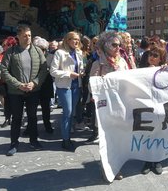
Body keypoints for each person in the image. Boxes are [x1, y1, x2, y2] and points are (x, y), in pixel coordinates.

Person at [0, 24, 47, 156]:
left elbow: (44, 69)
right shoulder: (11, 52)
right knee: (16, 117)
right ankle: (14, 143)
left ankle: (34, 140)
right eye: (25, 35)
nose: (28, 38)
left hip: (33, 90)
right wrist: (18, 84)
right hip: (16, 92)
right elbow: (4, 71)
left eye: (29, 35)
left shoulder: (37, 51)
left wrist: (35, 83)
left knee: (32, 116)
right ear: (18, 37)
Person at [89, 31, 128, 180]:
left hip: (119, 105)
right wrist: (102, 83)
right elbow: (90, 87)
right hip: (105, 108)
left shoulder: (122, 62)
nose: (118, 47)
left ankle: (116, 164)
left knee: (118, 137)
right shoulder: (98, 63)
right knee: (107, 138)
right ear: (105, 46)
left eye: (119, 44)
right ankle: (108, 166)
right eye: (114, 44)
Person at [50, 31, 85, 151]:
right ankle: (65, 139)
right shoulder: (60, 53)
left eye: (78, 40)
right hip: (64, 86)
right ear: (67, 40)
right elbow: (53, 71)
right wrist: (68, 74)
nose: (76, 42)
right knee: (68, 112)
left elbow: (80, 67)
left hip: (76, 86)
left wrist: (82, 72)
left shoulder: (79, 53)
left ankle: (68, 136)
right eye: (73, 39)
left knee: (71, 112)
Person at [140, 46, 168, 175]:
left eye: (156, 55)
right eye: (150, 54)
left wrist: (164, 71)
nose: (152, 57)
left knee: (159, 133)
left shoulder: (165, 71)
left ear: (161, 59)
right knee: (147, 133)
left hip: (160, 106)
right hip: (146, 105)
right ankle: (147, 161)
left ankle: (157, 160)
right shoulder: (140, 70)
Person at [33, 36, 54, 134]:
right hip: (34, 83)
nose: (43, 51)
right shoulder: (31, 56)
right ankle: (30, 127)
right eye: (41, 49)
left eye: (44, 49)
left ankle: (47, 125)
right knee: (32, 107)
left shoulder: (50, 56)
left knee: (46, 107)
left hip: (46, 83)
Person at [0, 36, 18, 128]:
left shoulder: (16, 54)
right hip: (4, 82)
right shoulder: (1, 54)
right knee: (6, 101)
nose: (4, 47)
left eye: (6, 45)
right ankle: (7, 118)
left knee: (16, 101)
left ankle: (18, 118)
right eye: (3, 45)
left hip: (15, 81)